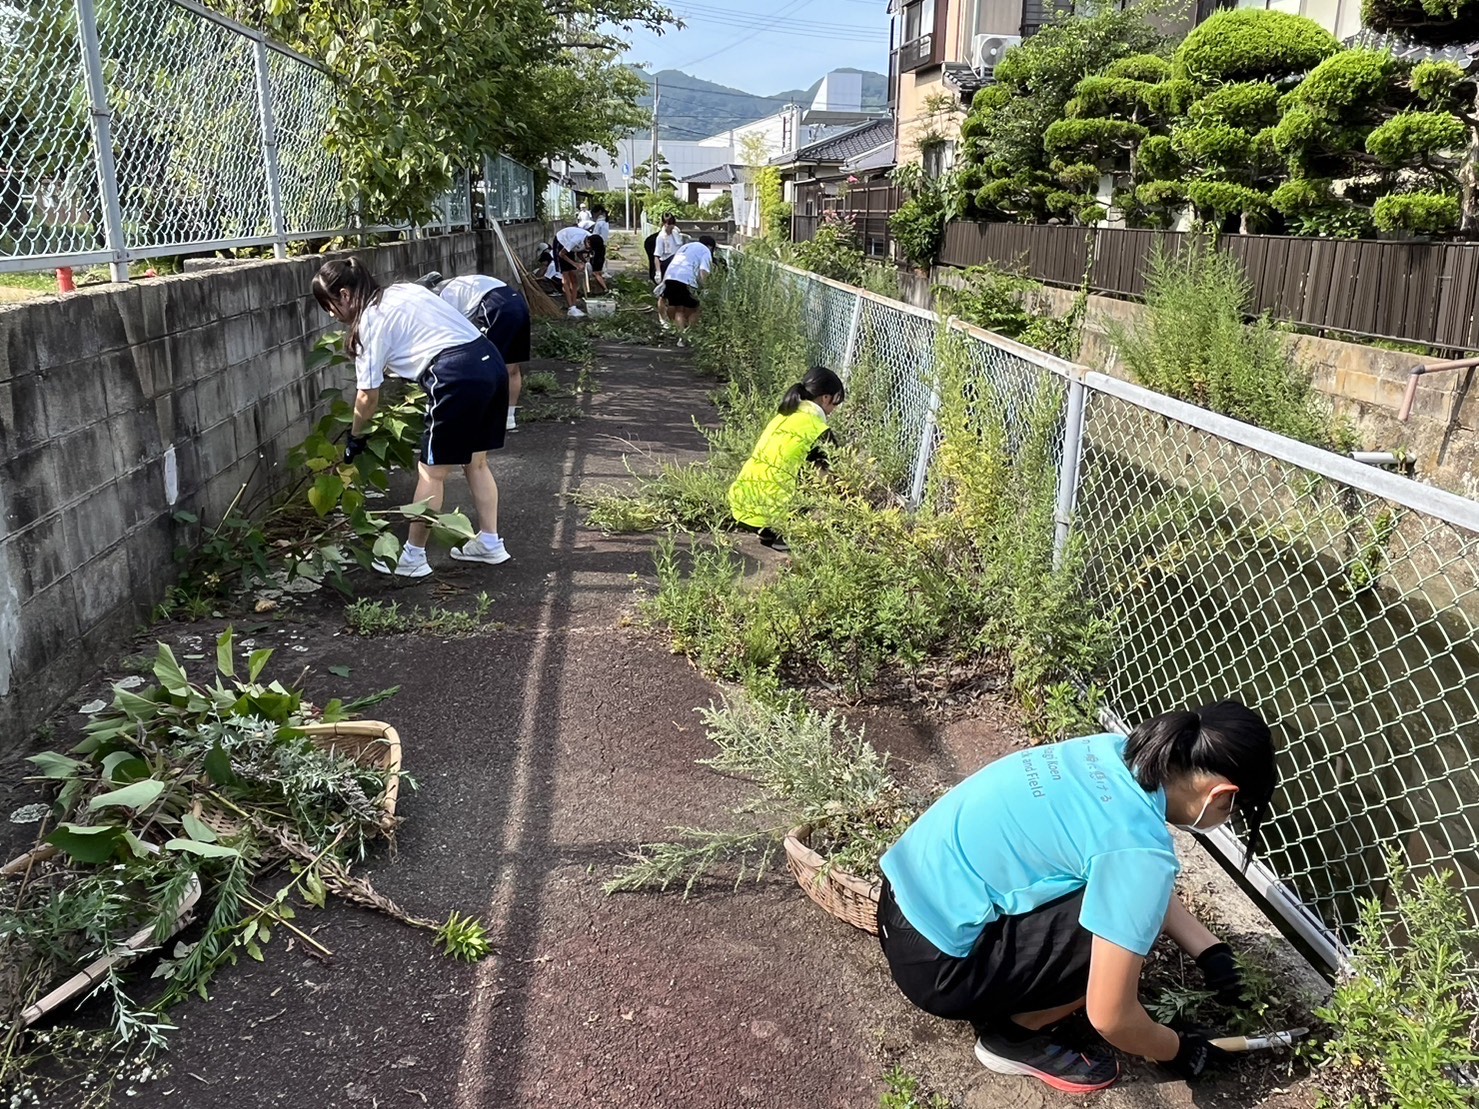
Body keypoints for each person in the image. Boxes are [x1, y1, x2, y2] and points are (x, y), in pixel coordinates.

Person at [877, 702, 1279, 1094]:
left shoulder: (1109, 752)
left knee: (1128, 900)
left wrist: (1209, 951)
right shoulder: (1142, 854)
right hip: (939, 973)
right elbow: (1112, 1017)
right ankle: (1014, 1037)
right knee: (1130, 926)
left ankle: (1006, 993)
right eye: (1235, 811)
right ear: (1221, 794)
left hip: (898, 899)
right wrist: (1179, 1048)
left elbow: (1127, 870)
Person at [311, 258, 512, 578]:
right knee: (476, 462)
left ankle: (413, 556)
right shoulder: (401, 290)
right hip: (490, 361)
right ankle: (490, 542)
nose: (331, 314)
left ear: (345, 295)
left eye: (329, 305)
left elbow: (367, 396)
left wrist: (355, 437)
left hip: (455, 375)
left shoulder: (369, 323)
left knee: (431, 472)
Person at [726, 365, 844, 552]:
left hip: (741, 506)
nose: (835, 409)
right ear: (826, 398)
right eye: (836, 402)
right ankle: (783, 534)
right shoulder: (817, 429)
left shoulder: (782, 417)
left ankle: (768, 531)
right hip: (771, 517)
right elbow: (833, 479)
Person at [437, 274, 528, 432]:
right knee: (512, 366)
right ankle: (509, 417)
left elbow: (453, 328)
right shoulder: (466, 283)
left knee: (488, 366)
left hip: (495, 307)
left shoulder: (446, 295)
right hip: (518, 304)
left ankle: (486, 416)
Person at [658, 234, 715, 338]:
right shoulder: (705, 251)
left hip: (671, 276)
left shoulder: (686, 246)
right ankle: (690, 335)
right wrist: (705, 287)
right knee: (694, 309)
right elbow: (703, 271)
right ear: (710, 247)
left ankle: (680, 336)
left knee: (678, 309)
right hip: (687, 279)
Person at [552, 224, 593, 318]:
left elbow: (578, 252)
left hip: (569, 248)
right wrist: (575, 264)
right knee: (566, 278)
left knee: (574, 279)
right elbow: (562, 254)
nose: (588, 250)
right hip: (561, 242)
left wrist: (585, 262)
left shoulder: (590, 240)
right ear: (588, 242)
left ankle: (574, 305)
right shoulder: (576, 240)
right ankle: (571, 308)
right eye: (588, 248)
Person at [587, 207, 611, 295]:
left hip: (597, 244)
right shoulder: (605, 222)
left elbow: (595, 234)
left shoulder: (600, 222)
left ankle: (605, 289)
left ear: (599, 212)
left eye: (594, 213)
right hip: (601, 245)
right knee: (600, 265)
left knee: (596, 272)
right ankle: (603, 274)